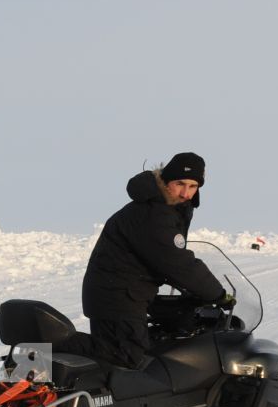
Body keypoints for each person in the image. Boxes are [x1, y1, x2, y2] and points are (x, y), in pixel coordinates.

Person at [79, 152, 232, 368]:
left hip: (123, 293)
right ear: (166, 180)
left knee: (117, 366)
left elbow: (162, 260)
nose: (186, 193)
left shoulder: (164, 208)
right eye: (180, 183)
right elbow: (178, 262)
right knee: (125, 357)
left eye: (193, 186)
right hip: (117, 296)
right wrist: (218, 294)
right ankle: (44, 348)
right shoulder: (152, 212)